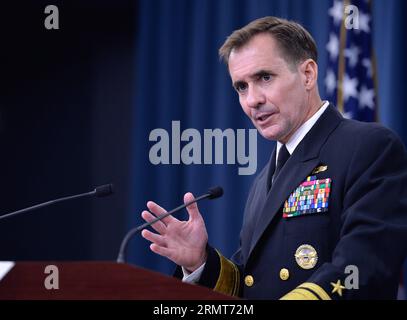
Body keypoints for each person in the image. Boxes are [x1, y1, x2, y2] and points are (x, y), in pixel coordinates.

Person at [140, 16, 407, 299]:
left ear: (307, 74)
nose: (252, 99)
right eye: (241, 87)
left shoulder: (368, 147)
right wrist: (200, 263)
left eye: (264, 78)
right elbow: (252, 285)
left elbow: (361, 268)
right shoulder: (263, 182)